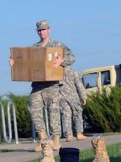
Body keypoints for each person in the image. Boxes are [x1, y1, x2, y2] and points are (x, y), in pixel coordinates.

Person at [10, 20, 75, 152]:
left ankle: (56, 140)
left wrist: (62, 61)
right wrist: (14, 63)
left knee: (53, 111)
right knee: (34, 109)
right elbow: (25, 62)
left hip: (52, 85)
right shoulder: (34, 48)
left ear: (49, 30)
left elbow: (72, 57)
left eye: (44, 29)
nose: (42, 32)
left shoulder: (57, 45)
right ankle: (43, 140)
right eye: (39, 30)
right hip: (37, 85)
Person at [60, 66, 87, 142]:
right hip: (73, 96)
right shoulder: (73, 71)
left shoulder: (57, 72)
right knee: (77, 114)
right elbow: (79, 85)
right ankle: (79, 133)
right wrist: (83, 97)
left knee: (66, 115)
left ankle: (69, 135)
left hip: (62, 96)